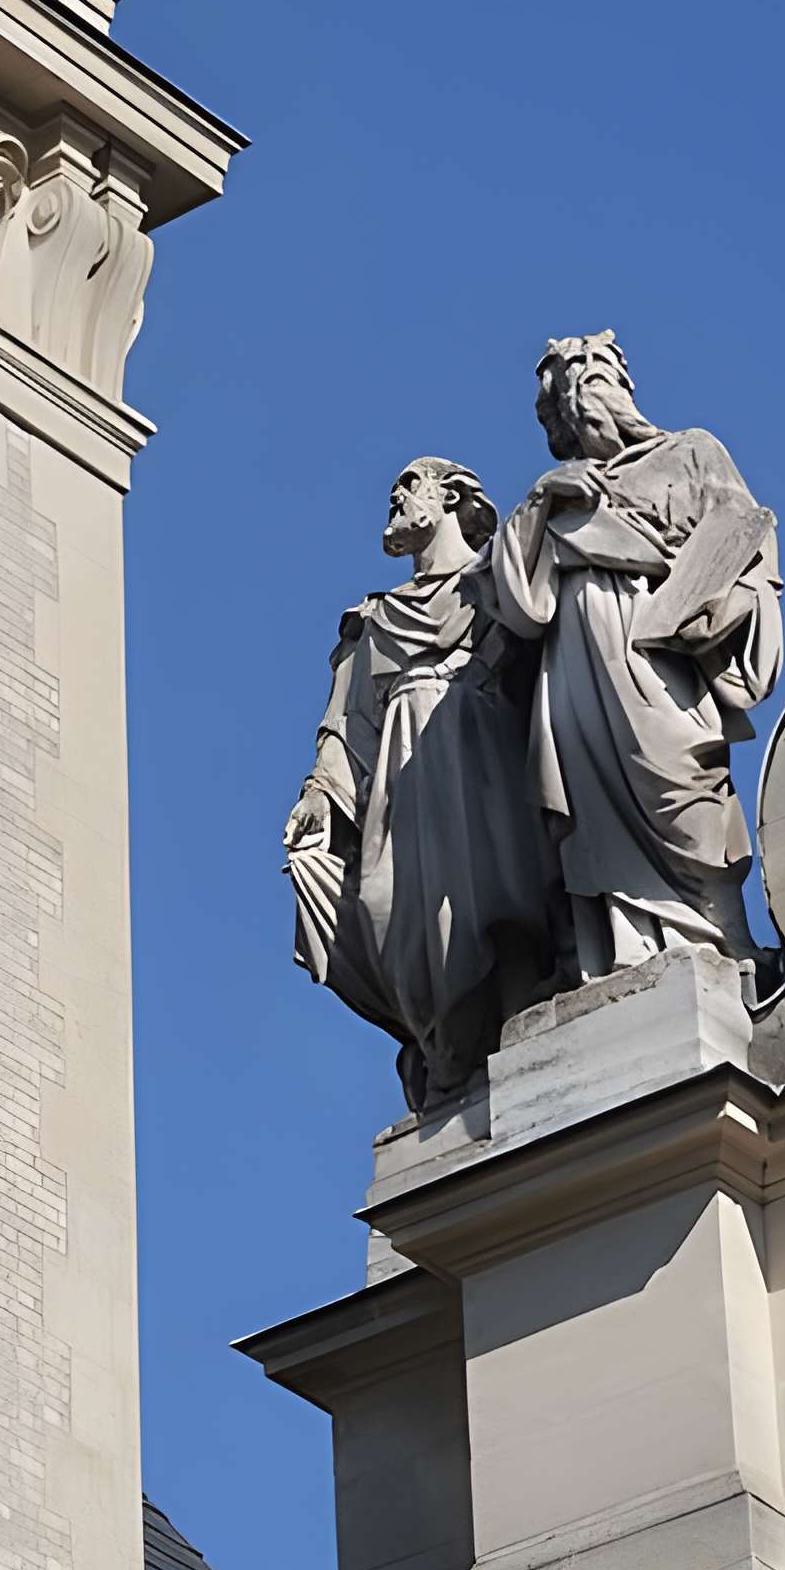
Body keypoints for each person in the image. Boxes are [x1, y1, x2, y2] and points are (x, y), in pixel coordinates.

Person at [489, 332, 782, 982]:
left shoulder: (692, 450)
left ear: (624, 387)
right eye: (572, 397)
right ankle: (622, 956)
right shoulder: (550, 498)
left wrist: (718, 608)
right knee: (594, 813)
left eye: (597, 384)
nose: (588, 402)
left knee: (685, 787)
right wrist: (544, 500)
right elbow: (520, 606)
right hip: (578, 667)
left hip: (663, 653)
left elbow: (749, 546)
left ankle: (722, 939)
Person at [285, 455, 554, 1107]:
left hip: (479, 759)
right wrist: (322, 792)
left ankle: (496, 1048)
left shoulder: (494, 581)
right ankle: (444, 1046)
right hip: (401, 784)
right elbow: (349, 725)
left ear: (452, 495)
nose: (396, 496)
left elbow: (543, 653)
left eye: (410, 484)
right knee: (379, 904)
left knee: (490, 908)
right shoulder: (373, 620)